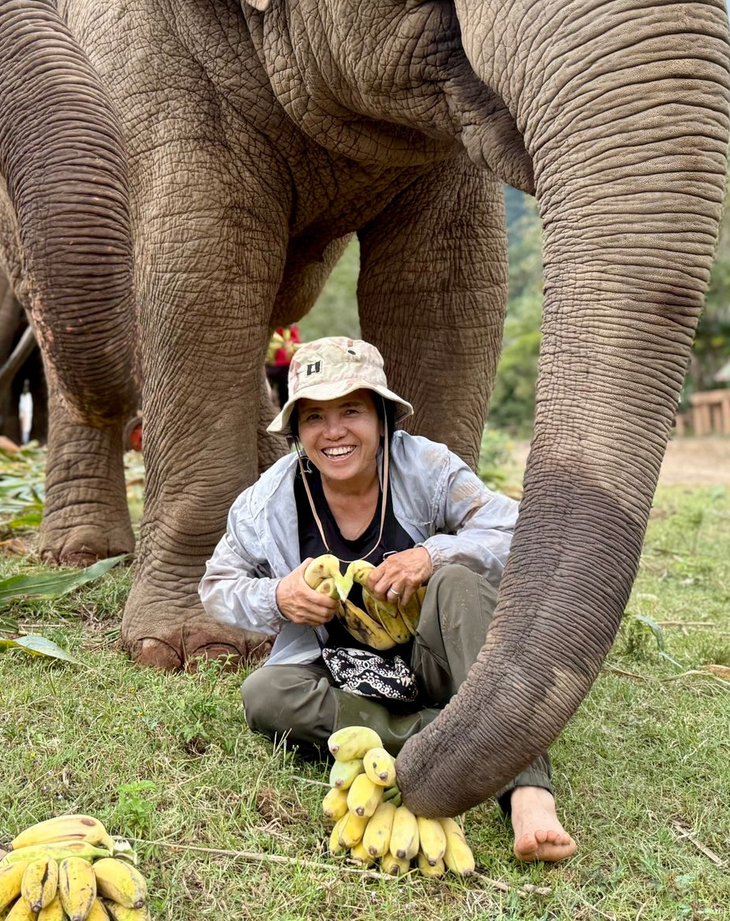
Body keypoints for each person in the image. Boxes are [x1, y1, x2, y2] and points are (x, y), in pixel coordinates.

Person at [199, 336, 576, 864]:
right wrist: (278, 596)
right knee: (265, 694)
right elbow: (216, 586)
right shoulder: (269, 500)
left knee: (459, 584)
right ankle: (463, 733)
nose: (333, 433)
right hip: (343, 677)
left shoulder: (427, 468)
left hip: (434, 661)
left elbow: (516, 531)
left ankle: (528, 792)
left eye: (350, 410)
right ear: (297, 431)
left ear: (381, 416)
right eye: (313, 418)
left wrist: (433, 555)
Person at [265, 324, 300, 408]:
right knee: (282, 395)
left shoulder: (288, 329)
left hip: (279, 366)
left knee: (283, 395)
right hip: (277, 365)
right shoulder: (289, 328)